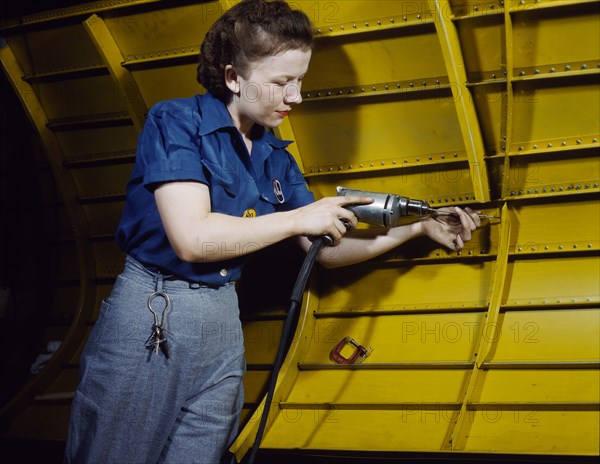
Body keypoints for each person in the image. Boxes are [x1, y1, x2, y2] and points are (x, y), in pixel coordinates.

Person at [64, 0, 481, 462]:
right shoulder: (176, 121)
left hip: (222, 321)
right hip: (155, 311)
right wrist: (299, 217)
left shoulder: (276, 155)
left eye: (299, 81)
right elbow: (193, 238)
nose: (296, 96)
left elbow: (321, 252)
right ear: (233, 77)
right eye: (283, 82)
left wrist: (418, 230)